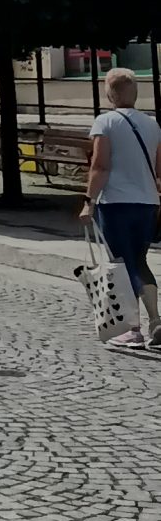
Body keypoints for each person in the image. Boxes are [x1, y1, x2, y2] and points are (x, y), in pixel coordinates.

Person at [82, 67, 161, 352]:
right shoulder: (152, 124)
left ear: (109, 93)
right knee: (138, 260)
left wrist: (88, 201)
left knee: (119, 264)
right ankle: (155, 320)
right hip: (148, 203)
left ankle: (133, 330)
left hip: (115, 203)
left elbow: (100, 166)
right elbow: (159, 169)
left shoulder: (105, 122)